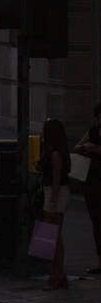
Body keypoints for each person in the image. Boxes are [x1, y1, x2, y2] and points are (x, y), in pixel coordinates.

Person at [38, 117, 71, 290]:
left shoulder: (56, 154)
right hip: (52, 192)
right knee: (54, 237)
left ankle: (55, 275)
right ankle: (59, 274)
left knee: (53, 237)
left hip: (55, 194)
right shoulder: (53, 151)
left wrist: (52, 202)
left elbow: (57, 180)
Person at [74, 100, 101, 275]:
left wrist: (96, 149)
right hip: (92, 181)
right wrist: (85, 147)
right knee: (97, 222)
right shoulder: (92, 131)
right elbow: (77, 146)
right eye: (98, 117)